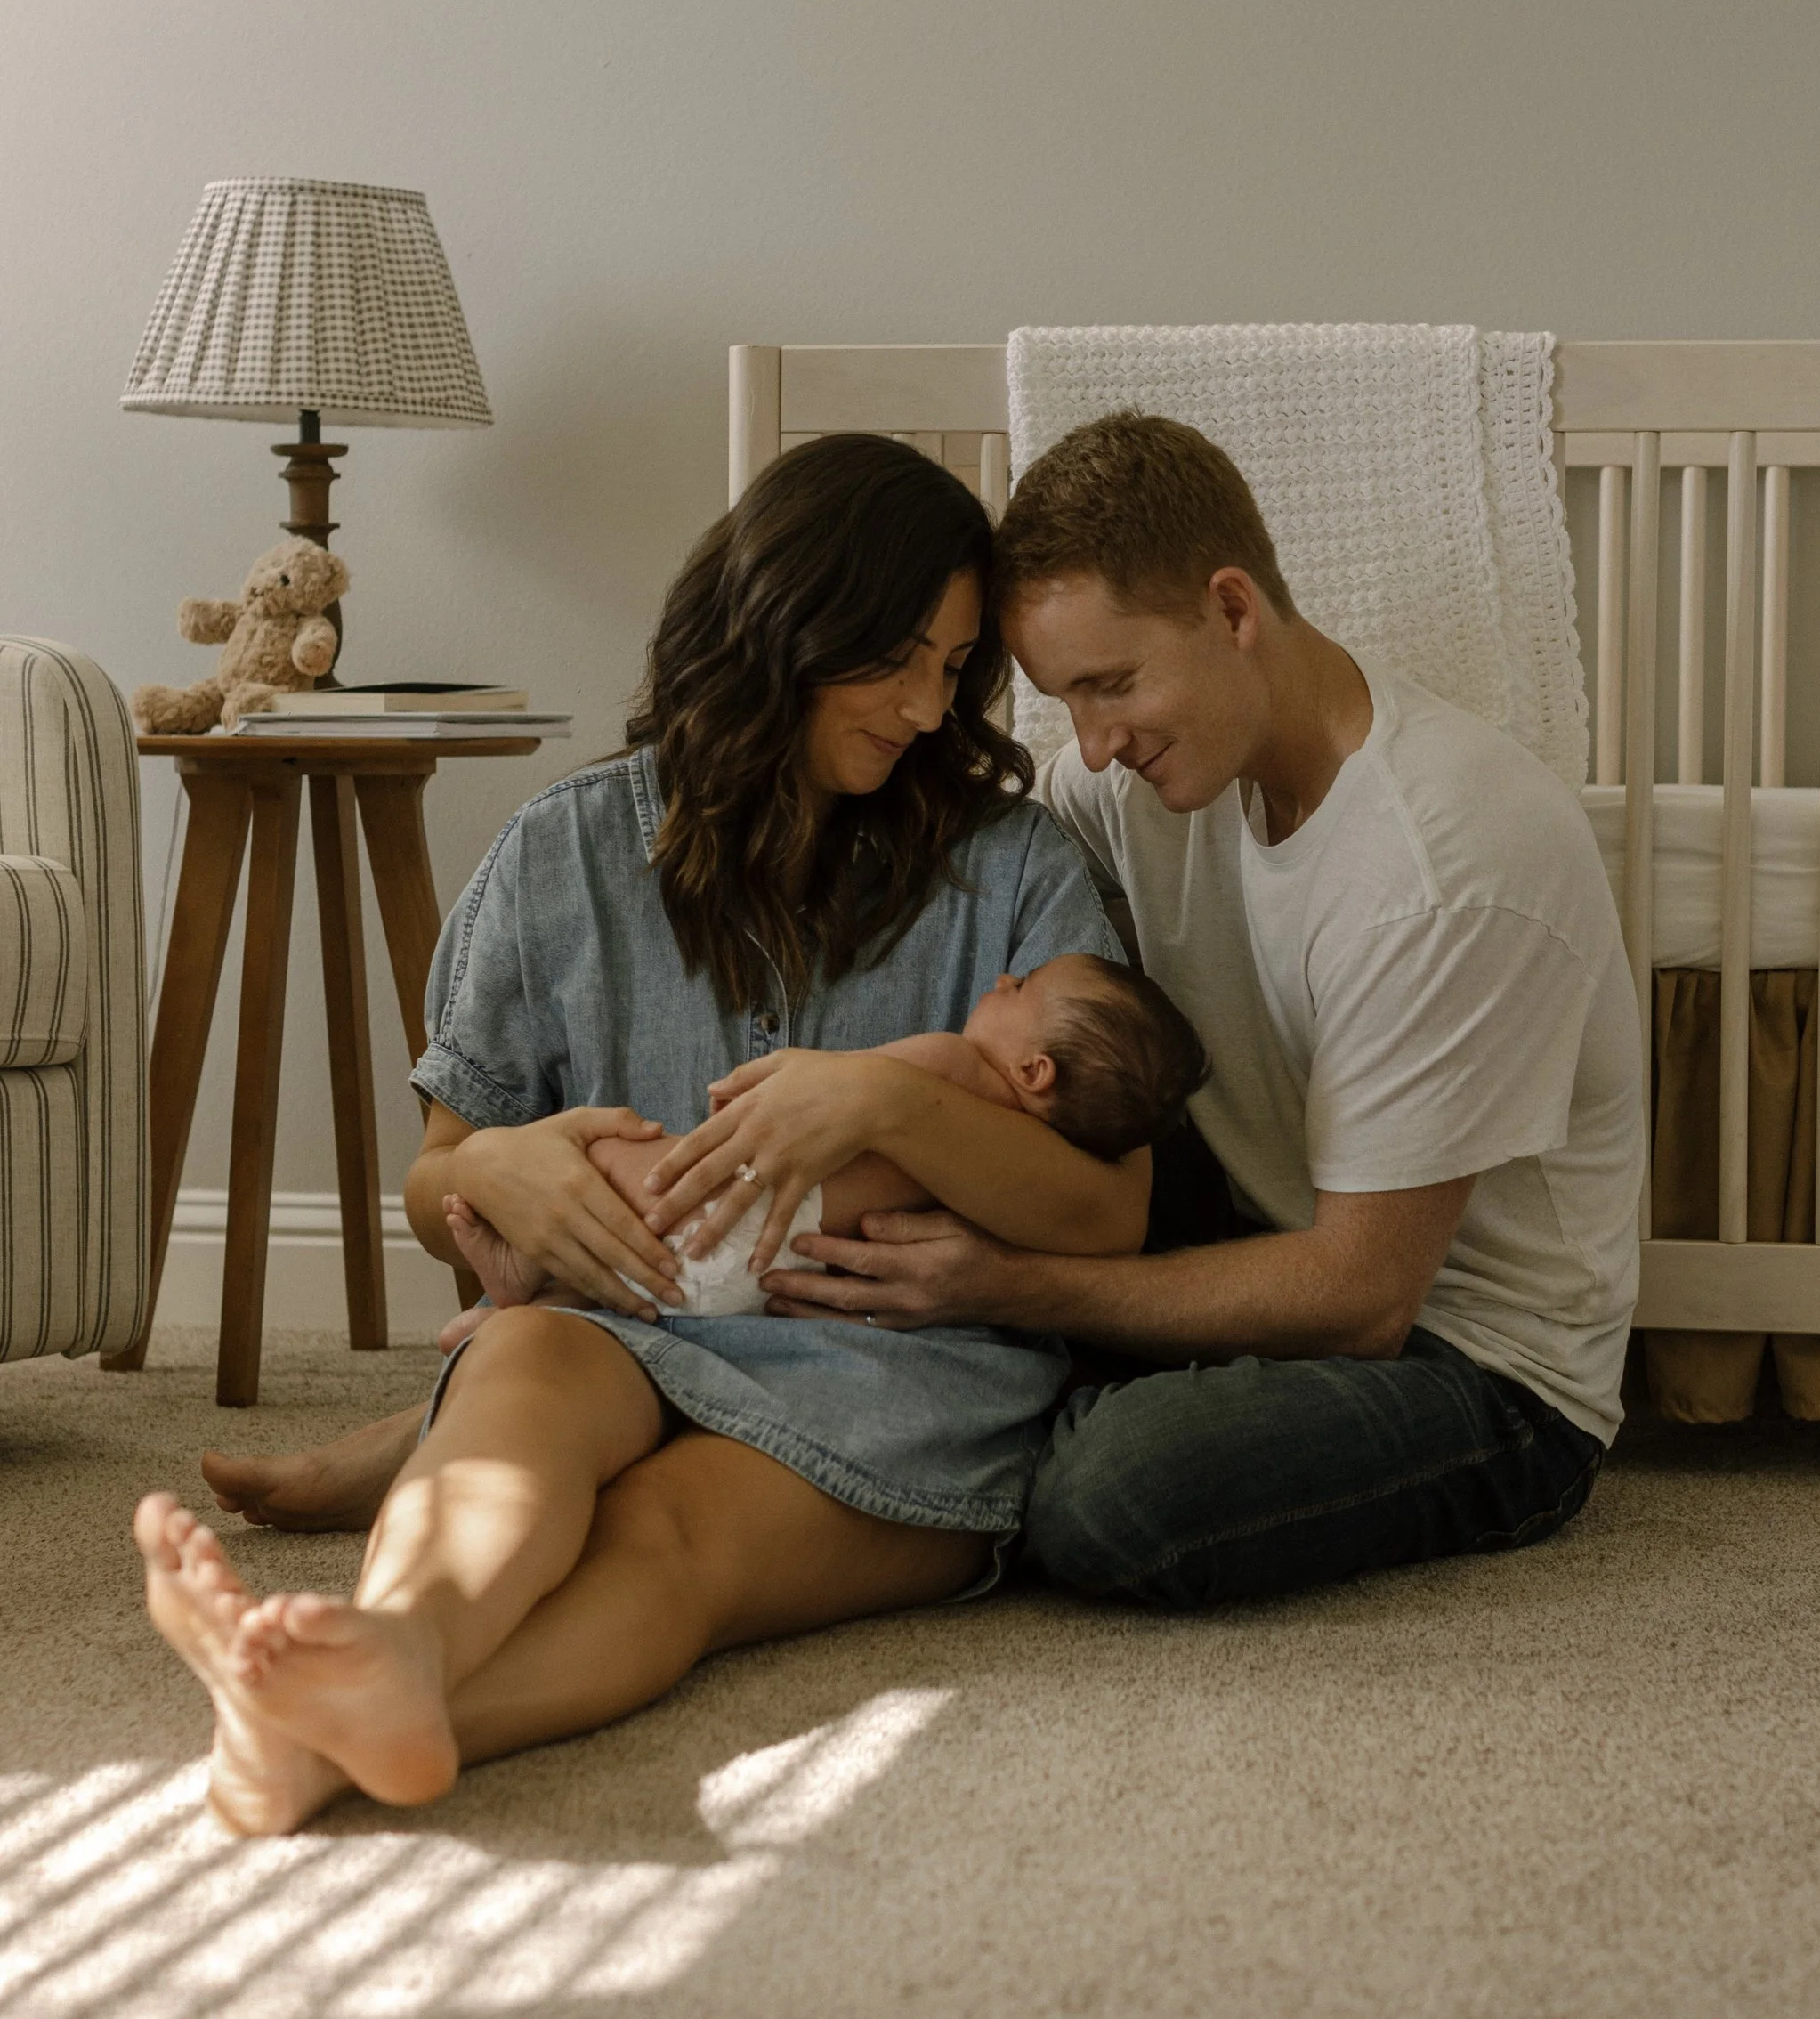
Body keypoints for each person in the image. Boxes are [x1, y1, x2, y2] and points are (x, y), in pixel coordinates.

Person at [137, 435, 1132, 1834]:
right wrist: (490, 1170)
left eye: (955, 670)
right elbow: (434, 1188)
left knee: (667, 1535)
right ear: (787, 620)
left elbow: (1111, 1212)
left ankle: (336, 1735)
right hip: (627, 1326)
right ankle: (395, 1650)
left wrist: (891, 1098)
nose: (927, 705)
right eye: (896, 657)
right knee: (525, 1365)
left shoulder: (1016, 869)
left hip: (904, 1379)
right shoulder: (560, 857)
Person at [767, 412, 1646, 1610]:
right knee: (990, 1078)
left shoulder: (1445, 865)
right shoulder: (1135, 783)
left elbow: (1360, 1297)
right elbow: (949, 878)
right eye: (1063, 699)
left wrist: (1002, 1284)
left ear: (1234, 610)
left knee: (1122, 1494)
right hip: (1232, 1234)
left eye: (1112, 684)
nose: (1092, 743)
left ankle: (969, 1430)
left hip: (1466, 1360)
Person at [439, 952, 1206, 1332]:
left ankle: (527, 1271)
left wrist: (749, 1092)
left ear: (1036, 1069)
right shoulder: (1012, 1169)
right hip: (772, 1271)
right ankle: (529, 1308)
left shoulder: (953, 1067)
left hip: (752, 1201)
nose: (1003, 979)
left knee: (606, 1156)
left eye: (1024, 988)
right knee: (638, 1278)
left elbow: (829, 1098)